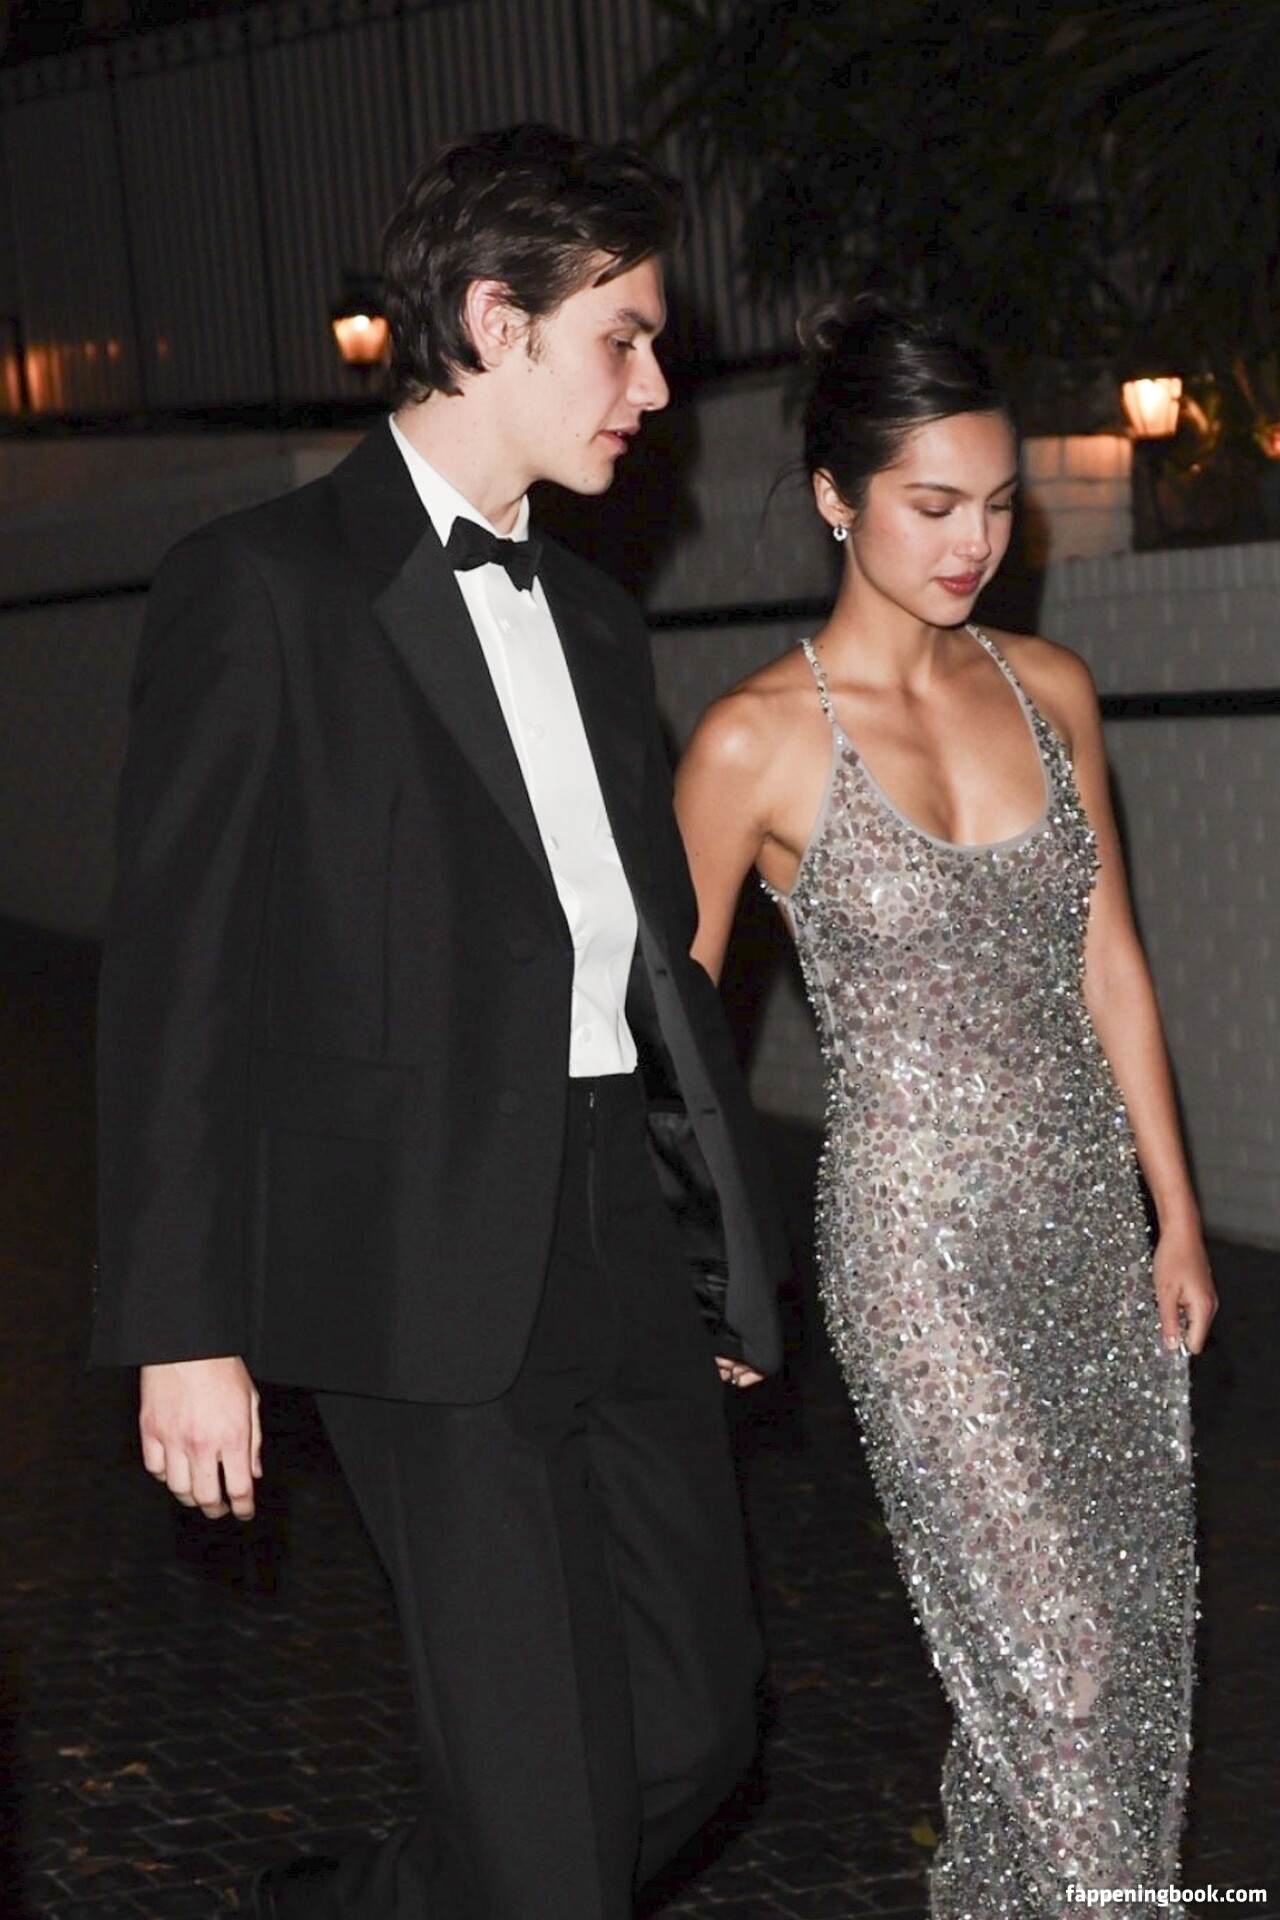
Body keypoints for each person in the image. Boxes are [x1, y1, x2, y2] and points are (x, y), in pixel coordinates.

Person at [91, 123, 787, 1920]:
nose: (655, 390)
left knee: (699, 1728)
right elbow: (176, 981)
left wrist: (715, 1246)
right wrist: (184, 1328)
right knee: (550, 1818)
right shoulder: (264, 587)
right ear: (494, 321)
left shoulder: (598, 619)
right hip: (411, 1268)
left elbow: (649, 966)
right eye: (623, 339)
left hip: (621, 1230)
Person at [674, 296, 1216, 1911]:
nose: (974, 541)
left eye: (996, 504)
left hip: (1087, 1231)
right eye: (932, 504)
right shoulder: (751, 743)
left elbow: (1110, 959)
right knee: (1057, 1658)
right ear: (836, 499)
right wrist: (706, 1266)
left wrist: (1178, 1214)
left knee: (1131, 1655)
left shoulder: (1052, 686)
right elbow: (674, 1044)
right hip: (918, 1260)